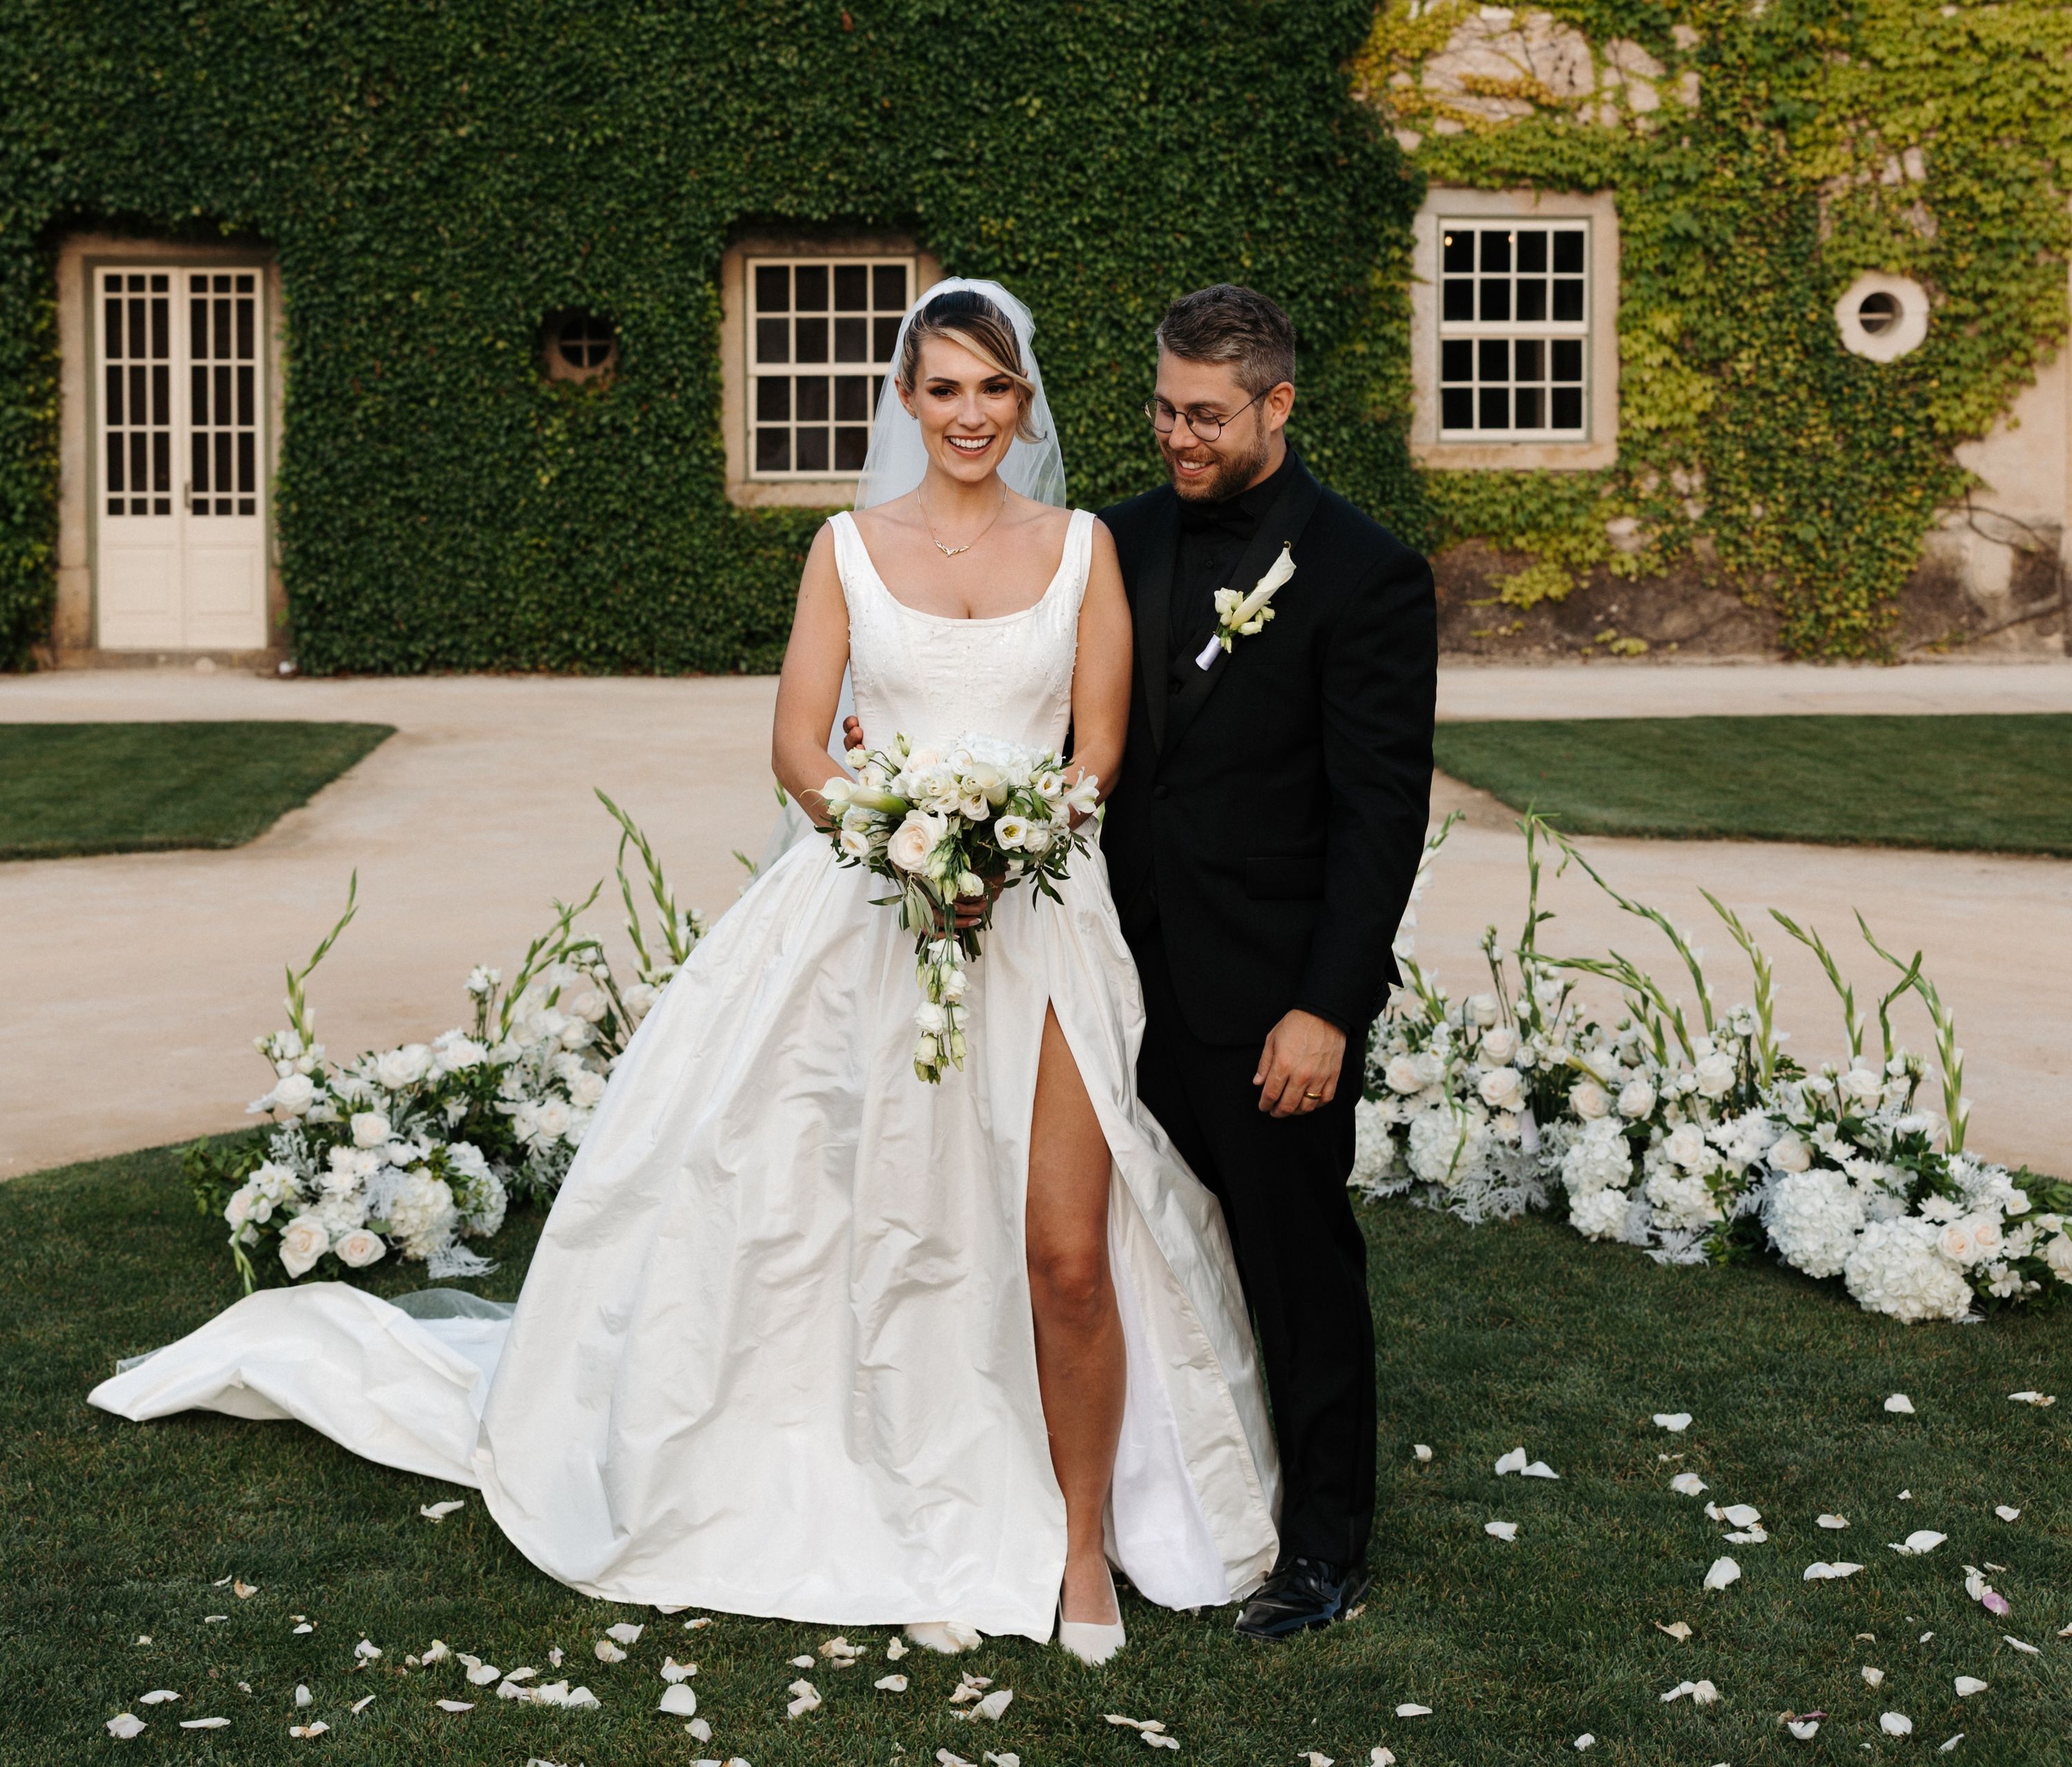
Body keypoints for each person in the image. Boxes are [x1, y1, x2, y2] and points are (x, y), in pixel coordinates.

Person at [90, 280, 1280, 1668]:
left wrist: (1013, 852)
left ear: (1028, 406)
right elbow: (798, 746)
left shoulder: (1083, 550)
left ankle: (1080, 1542)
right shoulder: (845, 548)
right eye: (944, 388)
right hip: (869, 923)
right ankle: (908, 1509)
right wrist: (900, 842)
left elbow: (1098, 750)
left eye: (995, 389)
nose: (970, 415)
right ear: (905, 401)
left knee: (1068, 1253)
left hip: (1044, 927)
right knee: (878, 1236)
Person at [1098, 285, 1437, 1639]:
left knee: (1298, 1265)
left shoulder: (1364, 570)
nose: (1178, 435)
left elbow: (1380, 813)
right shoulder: (1109, 543)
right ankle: (1154, 1498)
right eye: (1165, 407)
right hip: (1115, 974)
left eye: (1206, 415)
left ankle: (1324, 1545)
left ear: (1278, 406)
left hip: (1270, 999)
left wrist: (1325, 1006)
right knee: (1134, 1251)